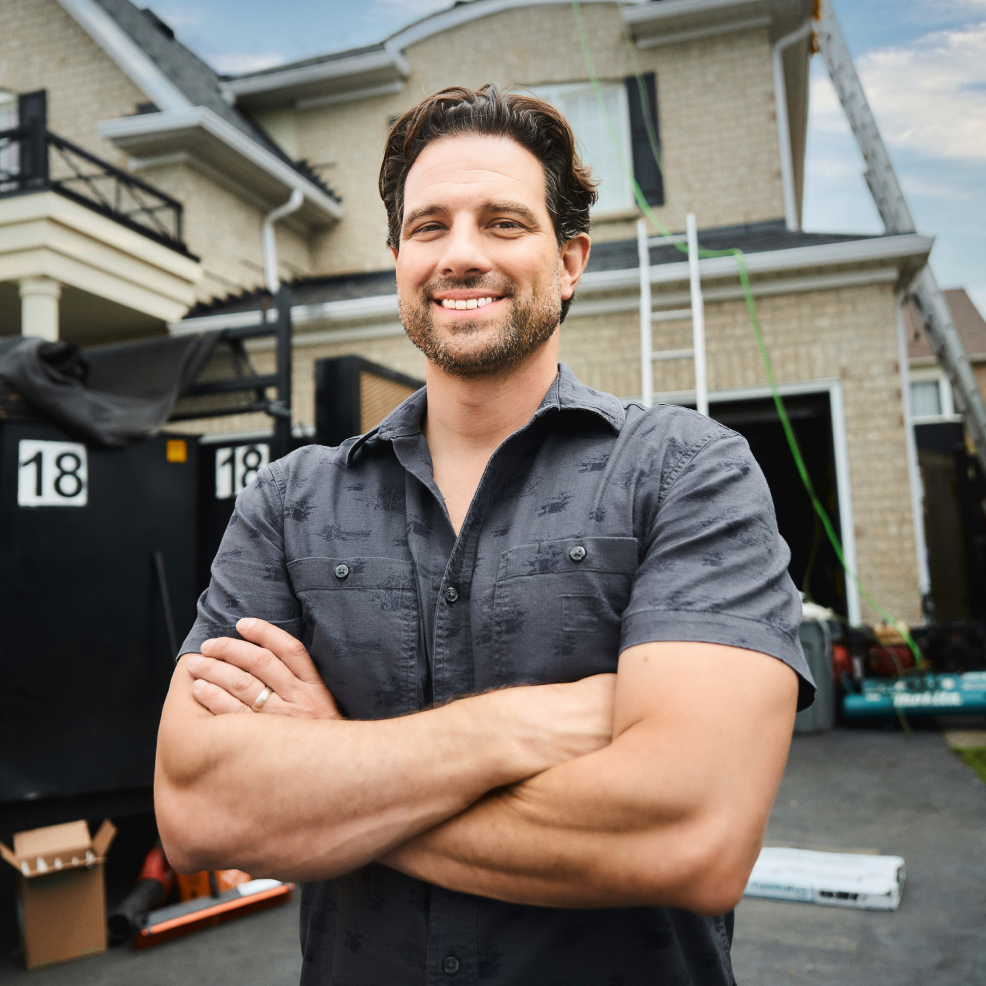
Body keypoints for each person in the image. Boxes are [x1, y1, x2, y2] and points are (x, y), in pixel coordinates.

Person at [156, 84, 813, 985]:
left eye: (503, 222)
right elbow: (200, 808)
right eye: (429, 227)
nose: (461, 254)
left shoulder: (686, 474)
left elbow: (691, 835)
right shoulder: (288, 503)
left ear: (571, 259)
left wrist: (335, 773)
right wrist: (524, 727)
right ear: (397, 257)